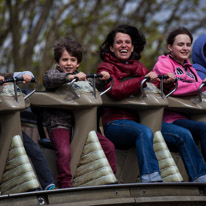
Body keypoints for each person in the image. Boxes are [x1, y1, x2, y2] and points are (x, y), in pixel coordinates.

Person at [43, 37, 116, 188]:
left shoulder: (81, 78)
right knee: (64, 151)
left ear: (78, 63)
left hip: (82, 125)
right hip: (59, 124)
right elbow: (49, 78)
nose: (68, 63)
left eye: (72, 59)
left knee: (108, 146)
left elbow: (94, 83)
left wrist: (104, 78)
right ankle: (65, 183)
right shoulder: (54, 75)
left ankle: (110, 179)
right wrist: (69, 77)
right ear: (57, 62)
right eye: (64, 60)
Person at [97, 24, 162, 183]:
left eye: (127, 42)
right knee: (143, 132)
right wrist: (142, 81)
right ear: (112, 48)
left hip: (137, 121)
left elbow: (157, 84)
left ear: (133, 47)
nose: (123, 45)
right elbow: (115, 90)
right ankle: (150, 178)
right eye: (119, 42)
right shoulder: (105, 68)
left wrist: (166, 81)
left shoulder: (138, 67)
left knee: (156, 131)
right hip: (115, 123)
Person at [153, 27, 206, 182]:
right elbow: (173, 88)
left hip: (183, 117)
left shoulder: (190, 68)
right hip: (165, 119)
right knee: (184, 134)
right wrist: (199, 86)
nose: (185, 48)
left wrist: (199, 87)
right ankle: (199, 176)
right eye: (180, 44)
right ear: (170, 47)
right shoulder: (163, 64)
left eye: (188, 45)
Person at [0, 71, 56, 190]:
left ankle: (48, 185)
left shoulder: (5, 78)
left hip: (10, 128)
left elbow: (21, 74)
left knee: (34, 150)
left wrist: (27, 76)